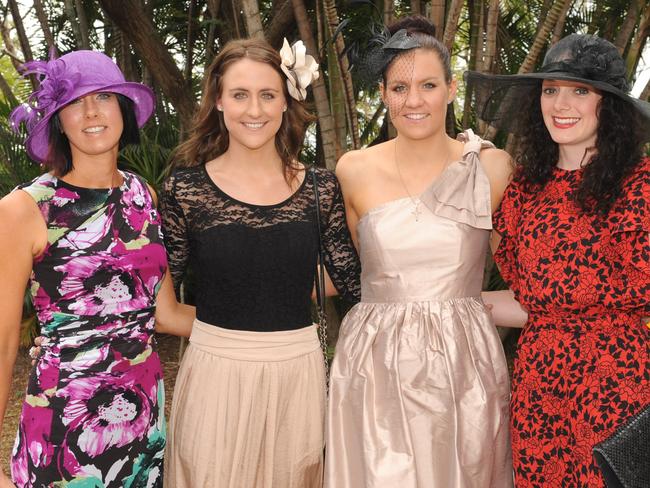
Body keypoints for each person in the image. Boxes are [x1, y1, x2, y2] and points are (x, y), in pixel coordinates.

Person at [160, 38, 360, 488]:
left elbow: (354, 282)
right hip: (215, 371)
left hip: (298, 372)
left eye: (268, 94)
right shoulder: (185, 191)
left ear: (287, 102)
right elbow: (158, 300)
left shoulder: (320, 189)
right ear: (218, 101)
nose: (255, 109)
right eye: (240, 94)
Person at [325, 16, 514, 487]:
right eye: (399, 87)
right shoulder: (352, 169)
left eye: (428, 85)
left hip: (464, 364)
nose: (413, 100)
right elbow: (350, 270)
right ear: (384, 93)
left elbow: (527, 271)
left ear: (450, 89)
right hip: (374, 365)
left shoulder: (490, 167)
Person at [0, 50, 194, 488]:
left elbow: (165, 315)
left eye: (104, 96)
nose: (90, 112)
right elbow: (3, 338)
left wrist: (264, 325)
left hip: (144, 422)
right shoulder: (24, 210)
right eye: (73, 102)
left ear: (123, 108)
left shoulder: (143, 196)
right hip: (65, 428)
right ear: (57, 120)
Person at [467, 34, 650, 486]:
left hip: (618, 389)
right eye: (551, 90)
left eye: (579, 91)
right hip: (538, 392)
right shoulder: (525, 191)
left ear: (609, 105)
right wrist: (432, 303)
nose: (561, 104)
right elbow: (535, 304)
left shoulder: (641, 186)